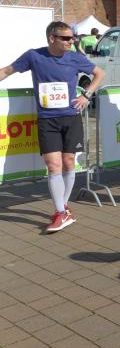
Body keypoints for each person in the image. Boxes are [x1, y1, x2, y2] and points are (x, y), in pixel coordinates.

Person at [0, 21, 105, 232]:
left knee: (68, 162)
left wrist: (86, 95)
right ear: (52, 38)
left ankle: (62, 208)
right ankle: (61, 212)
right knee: (53, 165)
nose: (71, 41)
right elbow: (7, 71)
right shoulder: (34, 56)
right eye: (66, 38)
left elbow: (99, 73)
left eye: (72, 38)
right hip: (47, 119)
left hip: (71, 117)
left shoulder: (75, 57)